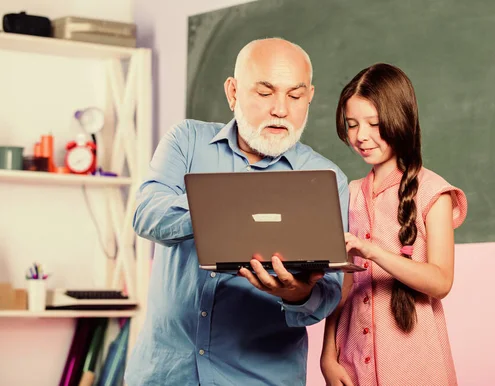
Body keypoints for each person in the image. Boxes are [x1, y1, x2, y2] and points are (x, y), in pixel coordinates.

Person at [124, 38, 349, 386]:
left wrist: (296, 294)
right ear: (233, 92)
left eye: (295, 95)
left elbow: (329, 292)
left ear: (309, 98)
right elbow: (146, 213)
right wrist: (223, 210)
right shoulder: (185, 141)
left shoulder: (329, 180)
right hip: (163, 374)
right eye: (265, 92)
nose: (281, 109)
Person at [320, 63, 468, 386]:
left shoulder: (433, 192)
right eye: (352, 124)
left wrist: (374, 252)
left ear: (399, 119)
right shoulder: (349, 194)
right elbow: (342, 286)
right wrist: (327, 356)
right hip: (351, 363)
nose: (361, 136)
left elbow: (441, 280)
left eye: (373, 124)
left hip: (415, 365)